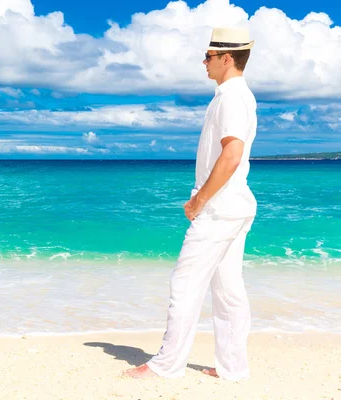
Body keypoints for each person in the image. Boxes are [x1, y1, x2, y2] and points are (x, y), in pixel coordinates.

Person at [124, 27, 257, 380]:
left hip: (220, 209)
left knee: (185, 284)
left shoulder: (231, 98)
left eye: (209, 56)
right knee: (228, 288)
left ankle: (166, 365)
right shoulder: (236, 96)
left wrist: (199, 199)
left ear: (227, 58)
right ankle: (233, 367)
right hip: (234, 205)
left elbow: (231, 153)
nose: (204, 62)